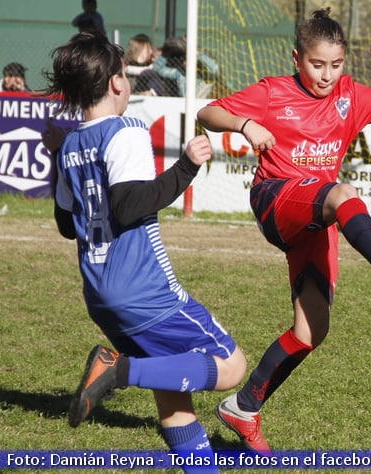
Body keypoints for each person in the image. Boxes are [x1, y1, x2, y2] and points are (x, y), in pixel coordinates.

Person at [196, 8, 371, 454]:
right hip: (276, 199)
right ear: (297, 57)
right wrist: (245, 123)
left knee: (311, 331)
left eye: (336, 66)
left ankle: (243, 407)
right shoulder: (272, 92)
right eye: (317, 64)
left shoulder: (350, 95)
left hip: (316, 217)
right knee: (342, 192)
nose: (326, 75)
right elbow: (206, 112)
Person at [40, 32, 246, 473]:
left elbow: (63, 225)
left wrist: (56, 160)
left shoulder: (70, 146)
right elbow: (129, 204)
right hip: (143, 290)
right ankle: (118, 371)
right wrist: (187, 166)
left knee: (174, 396)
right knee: (231, 367)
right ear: (118, 83)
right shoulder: (126, 130)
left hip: (99, 293)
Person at [153, 35, 220, 98]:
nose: (186, 62)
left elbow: (215, 69)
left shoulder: (206, 74)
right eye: (184, 58)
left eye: (189, 58)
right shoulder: (181, 73)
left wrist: (196, 53)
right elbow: (158, 69)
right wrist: (166, 53)